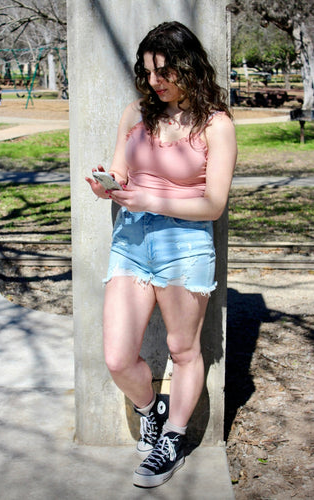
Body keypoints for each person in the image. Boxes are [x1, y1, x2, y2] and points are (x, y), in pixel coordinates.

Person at [85, 21, 237, 488]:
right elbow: (120, 167)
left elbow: (213, 204)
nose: (156, 81)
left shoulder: (216, 124)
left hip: (186, 244)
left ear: (189, 67)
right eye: (149, 72)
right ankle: (151, 409)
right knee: (116, 357)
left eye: (165, 71)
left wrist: (150, 200)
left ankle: (172, 439)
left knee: (183, 349)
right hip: (131, 241)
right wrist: (106, 184)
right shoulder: (135, 113)